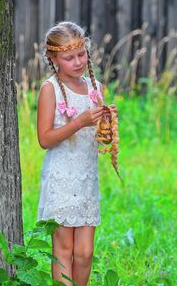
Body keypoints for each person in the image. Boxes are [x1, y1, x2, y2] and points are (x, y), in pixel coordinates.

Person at [36, 21, 116, 285]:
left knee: (85, 252)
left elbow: (99, 138)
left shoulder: (96, 88)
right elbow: (45, 139)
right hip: (61, 178)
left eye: (81, 54)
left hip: (86, 178)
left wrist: (107, 125)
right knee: (64, 250)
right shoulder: (51, 89)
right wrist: (78, 122)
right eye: (69, 58)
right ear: (53, 58)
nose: (78, 62)